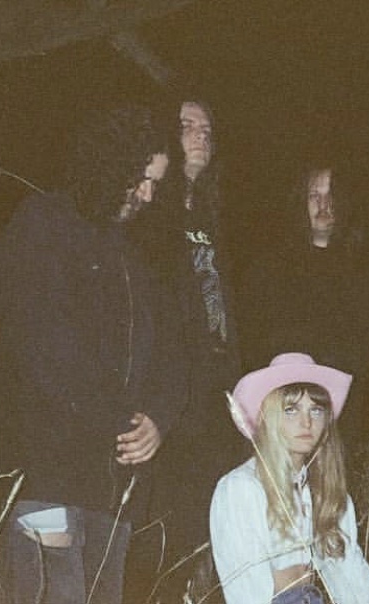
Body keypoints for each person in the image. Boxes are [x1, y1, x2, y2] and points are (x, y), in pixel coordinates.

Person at [0, 105, 185, 604]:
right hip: (47, 469)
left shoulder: (137, 253)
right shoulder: (43, 224)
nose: (147, 195)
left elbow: (172, 348)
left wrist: (158, 418)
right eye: (140, 179)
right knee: (54, 593)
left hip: (113, 481)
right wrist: (114, 418)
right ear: (109, 165)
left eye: (156, 184)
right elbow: (42, 347)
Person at [126, 99, 242, 600]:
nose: (201, 135)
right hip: (167, 397)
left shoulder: (214, 217)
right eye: (187, 126)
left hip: (215, 395)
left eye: (207, 128)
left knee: (207, 523)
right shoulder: (150, 216)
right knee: (158, 529)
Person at [239, 163, 369, 460]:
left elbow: (368, 348)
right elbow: (253, 339)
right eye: (314, 195)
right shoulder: (270, 266)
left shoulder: (364, 269)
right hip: (284, 406)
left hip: (341, 412)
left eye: (332, 195)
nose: (323, 204)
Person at [211, 352, 369, 604]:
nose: (306, 422)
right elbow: (245, 591)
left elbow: (352, 579)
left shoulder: (326, 493)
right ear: (268, 417)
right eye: (291, 410)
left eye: (316, 410)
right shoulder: (242, 488)